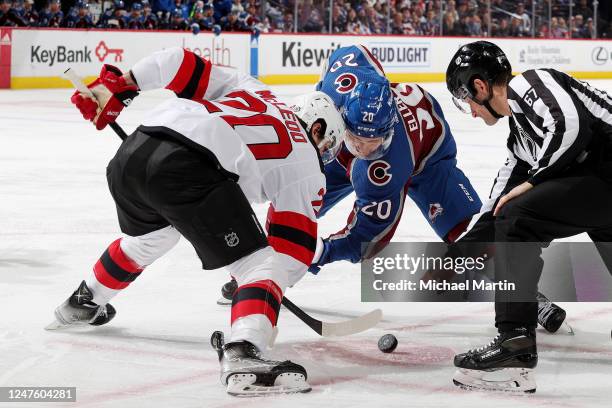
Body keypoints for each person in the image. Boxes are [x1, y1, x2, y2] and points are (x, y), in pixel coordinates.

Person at [49, 47, 346, 396]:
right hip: (191, 167)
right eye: (328, 144)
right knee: (261, 267)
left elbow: (178, 62)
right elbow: (293, 252)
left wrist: (119, 87)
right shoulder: (308, 164)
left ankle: (84, 300)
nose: (325, 153)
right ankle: (245, 352)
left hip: (134, 151)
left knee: (150, 239)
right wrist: (254, 287)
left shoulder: (255, 90)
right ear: (318, 126)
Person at [446, 40, 612, 393]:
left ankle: (515, 346)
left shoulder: (530, 83)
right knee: (511, 214)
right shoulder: (520, 139)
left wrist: (533, 182)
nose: (472, 112)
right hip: (602, 189)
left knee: (518, 219)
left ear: (480, 86)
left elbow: (571, 127)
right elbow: (495, 206)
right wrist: (461, 252)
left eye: (467, 102)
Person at [310, 45, 482, 272]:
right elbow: (356, 51)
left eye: (373, 143)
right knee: (303, 198)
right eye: (357, 140)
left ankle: (514, 276)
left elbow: (367, 238)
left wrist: (323, 251)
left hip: (428, 153)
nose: (364, 150)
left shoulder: (388, 166)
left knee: (465, 229)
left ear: (388, 131)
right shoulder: (337, 89)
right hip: (353, 141)